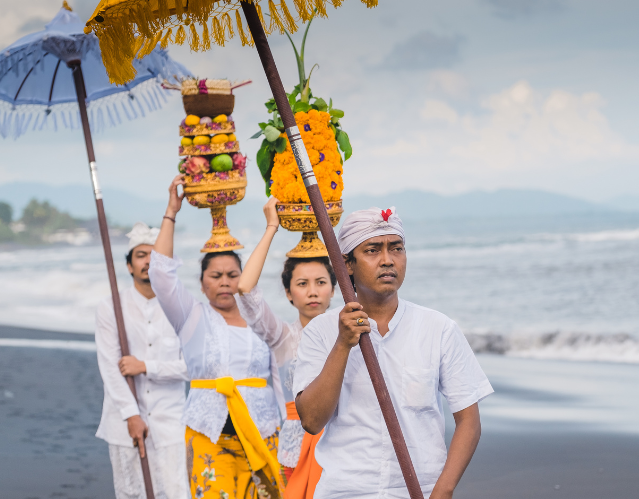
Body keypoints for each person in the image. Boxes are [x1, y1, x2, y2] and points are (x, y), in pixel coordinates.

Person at [294, 207, 493, 499]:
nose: (388, 260)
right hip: (345, 491)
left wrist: (443, 490)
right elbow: (311, 420)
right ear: (346, 264)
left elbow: (469, 421)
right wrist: (343, 344)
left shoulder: (438, 329)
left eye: (396, 248)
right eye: (373, 250)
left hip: (420, 492)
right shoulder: (321, 332)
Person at [149, 176, 286, 499]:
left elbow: (280, 380)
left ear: (243, 278)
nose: (225, 282)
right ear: (202, 284)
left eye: (232, 275)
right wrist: (171, 212)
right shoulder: (191, 317)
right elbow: (161, 274)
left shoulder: (262, 321)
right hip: (208, 434)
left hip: (263, 433)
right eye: (216, 276)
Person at [236, 197, 337, 498]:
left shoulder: (349, 337)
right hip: (296, 445)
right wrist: (271, 227)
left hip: (341, 441)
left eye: (321, 282)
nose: (313, 291)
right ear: (289, 293)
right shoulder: (282, 337)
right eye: (302, 284)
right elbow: (245, 289)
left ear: (334, 288)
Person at [95, 223, 190, 499]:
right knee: (131, 493)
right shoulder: (110, 307)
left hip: (170, 421)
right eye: (140, 255)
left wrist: (147, 367)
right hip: (123, 422)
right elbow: (110, 367)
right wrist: (131, 414)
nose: (148, 261)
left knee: (176, 492)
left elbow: (193, 367)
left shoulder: (181, 307)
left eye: (153, 255)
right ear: (129, 266)